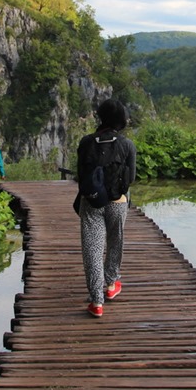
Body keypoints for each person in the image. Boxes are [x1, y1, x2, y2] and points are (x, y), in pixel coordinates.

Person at [76, 99, 136, 318]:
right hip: (118, 202)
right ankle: (111, 285)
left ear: (100, 116)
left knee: (92, 249)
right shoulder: (127, 144)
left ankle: (96, 302)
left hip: (91, 201)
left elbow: (81, 175)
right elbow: (132, 177)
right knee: (115, 242)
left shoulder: (86, 142)